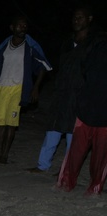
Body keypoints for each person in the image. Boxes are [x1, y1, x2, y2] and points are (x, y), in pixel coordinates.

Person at [27, 6, 97, 174]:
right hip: (62, 93)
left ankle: (66, 169)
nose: (76, 20)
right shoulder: (68, 42)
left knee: (73, 133)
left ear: (89, 19)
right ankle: (43, 165)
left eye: (80, 17)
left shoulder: (94, 43)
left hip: (80, 94)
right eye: (74, 17)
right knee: (53, 128)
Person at [0, 14, 52, 164]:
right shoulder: (4, 46)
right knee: (0, 123)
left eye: (25, 26)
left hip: (18, 89)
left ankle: (5, 156)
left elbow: (43, 67)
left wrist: (35, 88)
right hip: (1, 87)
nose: (23, 28)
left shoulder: (30, 46)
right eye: (20, 25)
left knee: (11, 123)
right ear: (12, 28)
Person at [56, 35, 107, 196]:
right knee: (76, 153)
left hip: (103, 116)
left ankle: (95, 187)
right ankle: (66, 182)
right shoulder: (98, 46)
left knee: (101, 156)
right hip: (86, 109)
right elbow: (84, 70)